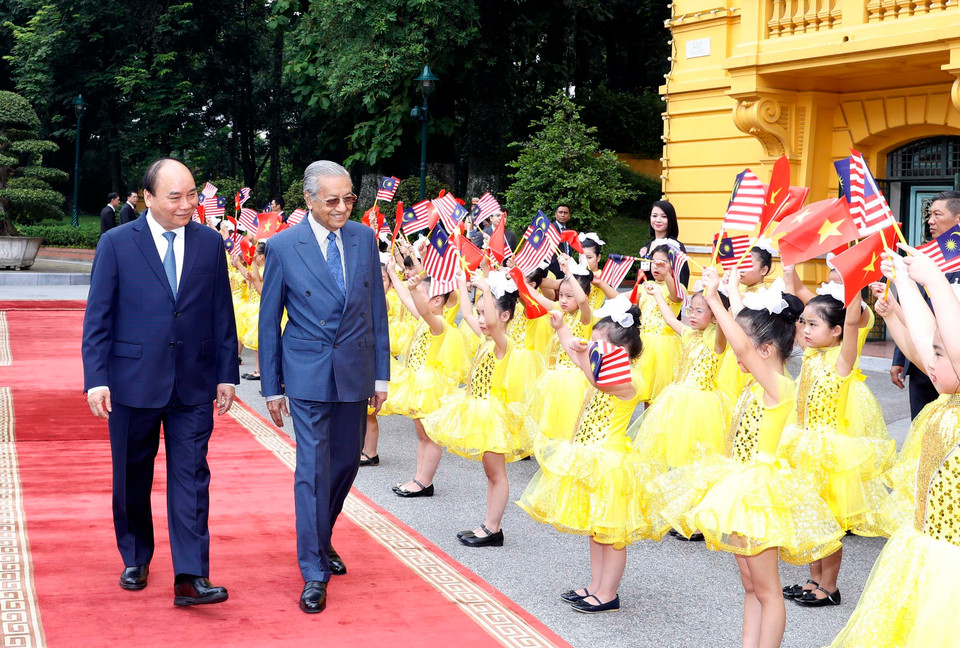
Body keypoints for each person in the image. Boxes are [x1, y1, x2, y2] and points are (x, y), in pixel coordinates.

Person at [649, 270, 843, 648]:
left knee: (767, 590)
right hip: (740, 487)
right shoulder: (759, 382)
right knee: (750, 585)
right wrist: (732, 293)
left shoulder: (779, 386)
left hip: (759, 494)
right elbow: (748, 331)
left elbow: (742, 344)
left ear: (765, 350)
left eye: (749, 348)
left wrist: (715, 299)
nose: (739, 352)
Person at [81, 157, 239, 606]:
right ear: (147, 197)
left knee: (192, 476)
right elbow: (98, 317)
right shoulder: (116, 243)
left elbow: (220, 312)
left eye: (191, 194)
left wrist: (227, 374)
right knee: (132, 474)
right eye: (175, 196)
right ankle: (136, 553)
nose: (187, 204)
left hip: (194, 381)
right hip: (131, 381)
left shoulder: (210, 243)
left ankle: (191, 576)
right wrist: (96, 379)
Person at [257, 160, 390, 614]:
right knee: (312, 471)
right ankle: (313, 569)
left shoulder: (364, 238)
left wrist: (380, 374)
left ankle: (321, 533)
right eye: (331, 200)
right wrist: (272, 387)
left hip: (354, 370)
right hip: (307, 373)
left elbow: (377, 309)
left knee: (345, 467)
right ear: (309, 200)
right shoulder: (282, 246)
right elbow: (268, 319)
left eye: (349, 198)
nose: (342, 207)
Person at [828, 250, 960, 647]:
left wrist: (934, 284)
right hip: (925, 550)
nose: (929, 360)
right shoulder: (948, 403)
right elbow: (926, 340)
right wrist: (903, 281)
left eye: (943, 353)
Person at [517, 300, 651, 614]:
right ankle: (595, 584)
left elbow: (593, 377)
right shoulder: (601, 366)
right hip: (593, 456)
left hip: (610, 461)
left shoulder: (631, 379)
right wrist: (562, 328)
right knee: (596, 528)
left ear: (620, 350)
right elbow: (579, 360)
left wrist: (581, 351)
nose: (593, 348)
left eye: (598, 343)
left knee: (612, 533)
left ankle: (609, 592)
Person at [777, 290, 894, 606]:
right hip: (804, 447)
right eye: (804, 323)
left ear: (837, 331)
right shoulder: (812, 355)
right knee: (810, 517)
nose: (805, 330)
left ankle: (829, 587)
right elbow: (799, 296)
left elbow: (853, 322)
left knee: (827, 522)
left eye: (813, 325)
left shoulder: (843, 359)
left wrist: (854, 287)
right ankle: (813, 579)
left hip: (828, 454)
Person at [424, 271, 537, 546]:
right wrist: (463, 284)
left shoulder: (504, 344)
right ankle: (488, 523)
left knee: (496, 473)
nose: (481, 319)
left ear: (505, 316)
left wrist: (486, 288)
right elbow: (466, 310)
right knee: (490, 471)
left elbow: (495, 327)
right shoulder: (488, 340)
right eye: (480, 313)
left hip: (494, 417)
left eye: (486, 313)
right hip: (482, 411)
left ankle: (493, 528)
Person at [891, 190, 960, 419]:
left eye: (937, 214)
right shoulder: (923, 258)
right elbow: (913, 312)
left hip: (953, 365)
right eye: (929, 214)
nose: (930, 221)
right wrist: (900, 359)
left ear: (957, 219)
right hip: (924, 365)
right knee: (922, 429)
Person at [637, 200, 689, 287]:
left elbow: (682, 277)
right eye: (654, 216)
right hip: (645, 296)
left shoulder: (675, 246)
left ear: (671, 219)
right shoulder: (647, 246)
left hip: (666, 297)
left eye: (664, 216)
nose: (658, 220)